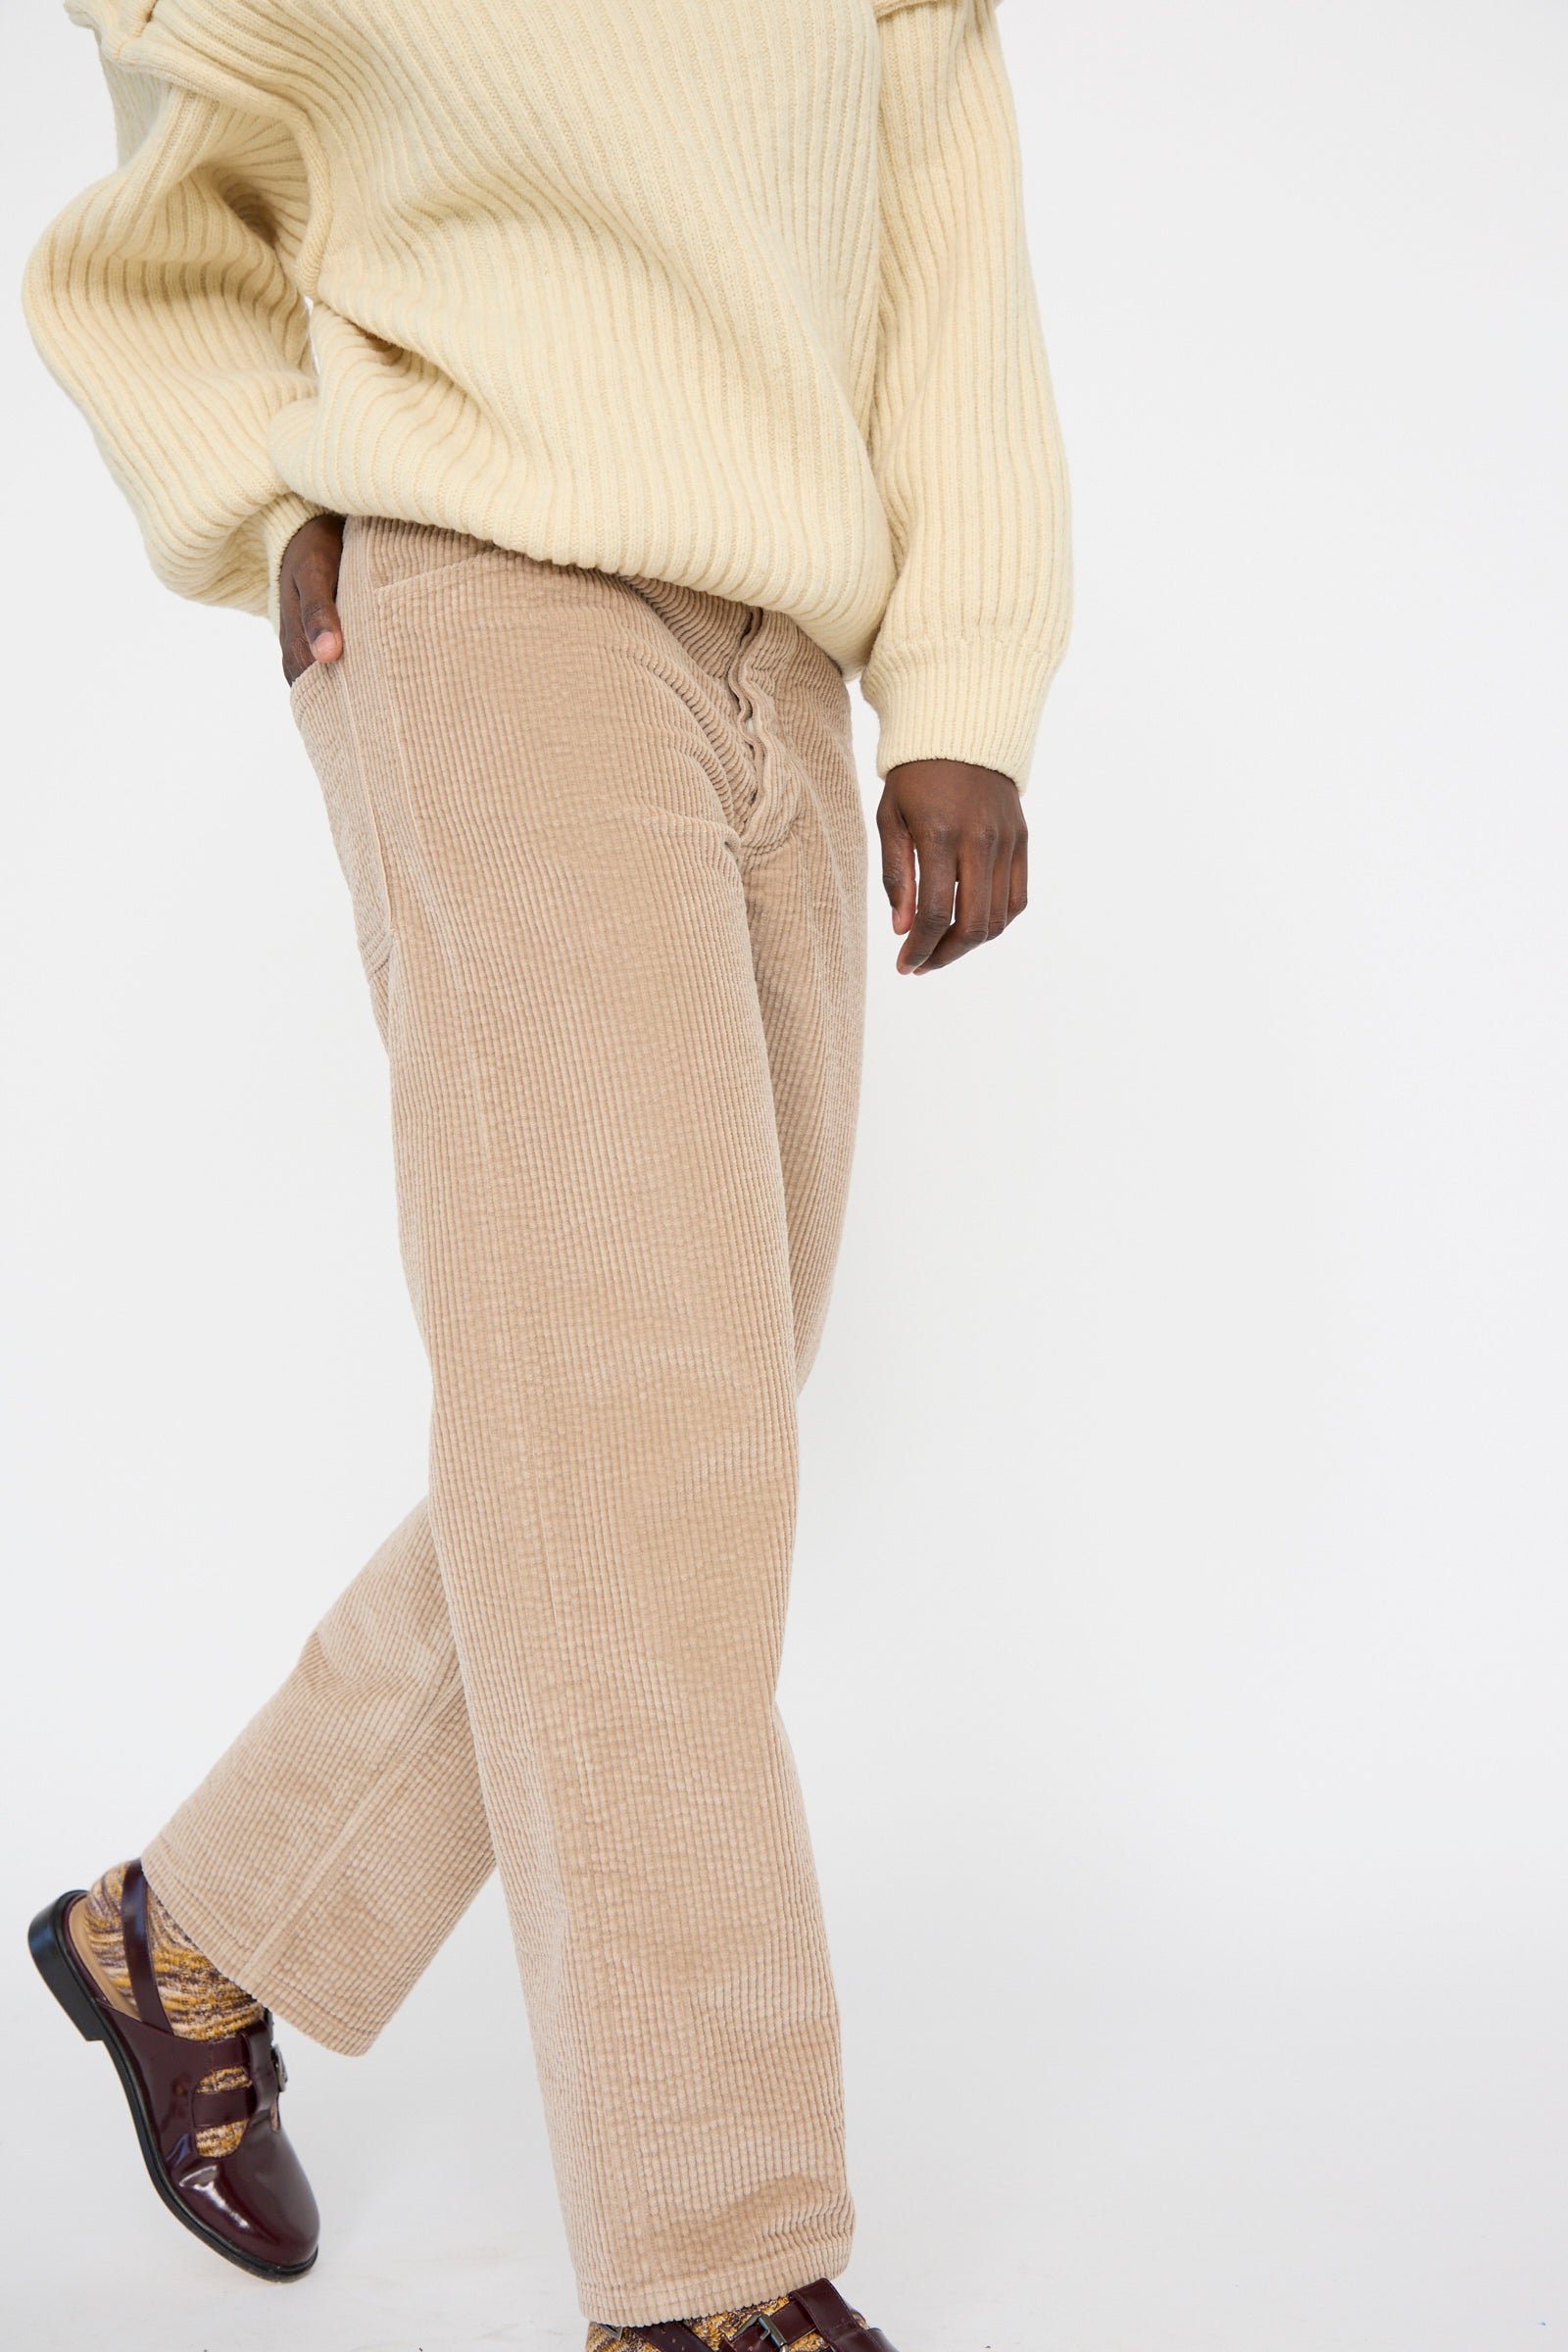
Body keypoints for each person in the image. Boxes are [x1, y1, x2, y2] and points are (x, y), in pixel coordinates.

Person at [22, 0, 1070, 2343]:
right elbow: (152, 243)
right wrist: (268, 498)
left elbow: (946, 251)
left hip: (783, 657)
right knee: (631, 1448)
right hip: (489, 602)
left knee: (645, 1445)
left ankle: (191, 1934)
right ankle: (708, 2266)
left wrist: (965, 691)